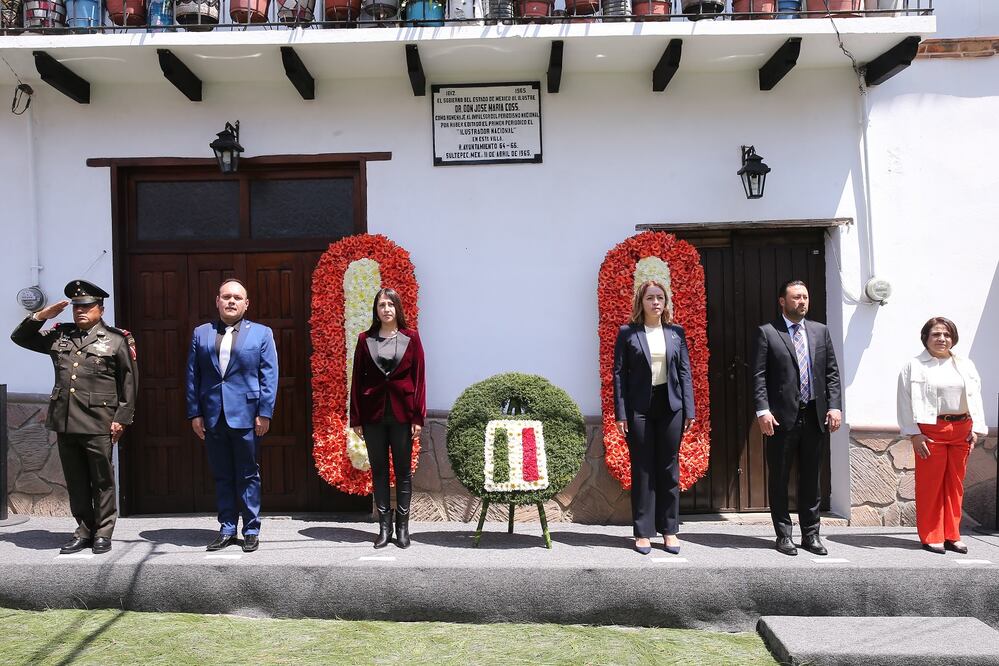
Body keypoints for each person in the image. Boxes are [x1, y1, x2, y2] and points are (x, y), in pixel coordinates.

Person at [10, 279, 138, 555]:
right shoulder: (60, 335)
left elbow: (129, 382)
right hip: (65, 419)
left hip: (99, 420)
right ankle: (84, 530)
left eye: (87, 306)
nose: (81, 311)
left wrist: (122, 418)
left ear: (100, 309)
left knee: (102, 480)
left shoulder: (116, 340)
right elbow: (20, 338)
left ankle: (103, 532)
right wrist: (41, 316)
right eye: (77, 307)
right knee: (76, 480)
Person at [186, 279, 278, 553]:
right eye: (226, 296)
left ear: (246, 304)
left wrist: (264, 412)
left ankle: (251, 529)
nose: (231, 301)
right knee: (222, 474)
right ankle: (227, 528)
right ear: (217, 301)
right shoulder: (201, 333)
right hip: (213, 415)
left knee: (248, 474)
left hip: (247, 416)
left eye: (237, 298)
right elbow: (192, 375)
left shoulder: (261, 333)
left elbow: (269, 375)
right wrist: (195, 413)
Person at [752, 279, 842, 557]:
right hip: (781, 418)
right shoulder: (768, 332)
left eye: (805, 297)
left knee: (811, 478)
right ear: (782, 301)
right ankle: (783, 535)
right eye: (796, 297)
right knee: (779, 478)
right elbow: (759, 376)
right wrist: (763, 410)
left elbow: (831, 372)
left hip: (814, 415)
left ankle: (811, 535)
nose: (802, 302)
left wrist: (834, 406)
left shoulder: (820, 331)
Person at [613, 280, 695, 555]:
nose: (656, 302)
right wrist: (621, 413)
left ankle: (669, 530)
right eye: (650, 298)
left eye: (660, 297)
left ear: (666, 302)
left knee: (669, 468)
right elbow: (619, 375)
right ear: (641, 302)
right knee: (643, 468)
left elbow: (684, 372)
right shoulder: (628, 333)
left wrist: (689, 409)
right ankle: (643, 532)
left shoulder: (675, 332)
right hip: (639, 408)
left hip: (671, 406)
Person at [897, 317, 987, 555]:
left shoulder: (965, 365)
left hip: (962, 429)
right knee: (930, 484)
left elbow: (975, 396)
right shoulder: (914, 366)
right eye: (936, 334)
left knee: (955, 485)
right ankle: (931, 535)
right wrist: (914, 434)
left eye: (946, 334)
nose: (942, 339)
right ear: (926, 338)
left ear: (953, 338)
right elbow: (904, 402)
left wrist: (976, 428)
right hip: (930, 430)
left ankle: (952, 535)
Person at [349, 288, 426, 549]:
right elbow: (357, 380)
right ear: (376, 310)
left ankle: (403, 527)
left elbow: (419, 378)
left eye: (390, 304)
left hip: (403, 414)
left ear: (397, 308)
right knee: (379, 471)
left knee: (403, 472)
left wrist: (418, 417)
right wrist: (356, 418)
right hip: (373, 415)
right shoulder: (365, 339)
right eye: (382, 305)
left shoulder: (411, 338)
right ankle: (384, 527)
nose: (386, 309)